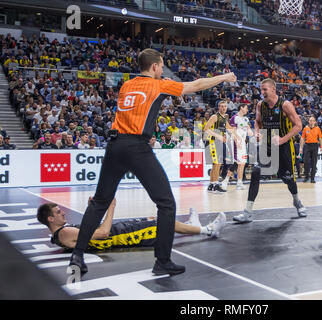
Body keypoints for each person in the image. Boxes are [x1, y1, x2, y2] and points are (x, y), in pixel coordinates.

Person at [68, 48, 237, 277]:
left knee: (99, 201)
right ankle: (162, 261)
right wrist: (224, 77)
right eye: (162, 65)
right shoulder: (158, 85)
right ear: (156, 66)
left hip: (114, 146)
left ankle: (77, 254)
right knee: (166, 203)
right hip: (137, 147)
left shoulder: (127, 85)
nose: (162, 69)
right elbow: (195, 85)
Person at [233, 78, 307, 223]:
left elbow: (298, 126)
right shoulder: (260, 105)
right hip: (267, 145)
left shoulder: (285, 105)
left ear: (273, 89)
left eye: (265, 89)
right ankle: (247, 212)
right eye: (261, 90)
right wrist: (257, 132)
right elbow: (257, 122)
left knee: (289, 179)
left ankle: (297, 201)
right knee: (255, 173)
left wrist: (282, 139)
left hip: (284, 146)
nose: (262, 92)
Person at [37, 199, 227, 251]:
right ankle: (207, 230)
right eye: (57, 212)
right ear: (50, 220)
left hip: (120, 232)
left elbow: (89, 231)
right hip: (121, 236)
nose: (62, 212)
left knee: (153, 220)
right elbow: (102, 233)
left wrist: (91, 210)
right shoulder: (63, 233)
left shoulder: (61, 234)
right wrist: (111, 208)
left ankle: (189, 226)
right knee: (161, 222)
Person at [204, 100, 240, 194]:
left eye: (225, 106)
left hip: (219, 143)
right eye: (221, 106)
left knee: (215, 164)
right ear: (218, 107)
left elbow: (230, 129)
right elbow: (206, 129)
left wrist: (239, 137)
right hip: (212, 142)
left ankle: (211, 184)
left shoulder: (224, 118)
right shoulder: (215, 116)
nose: (223, 108)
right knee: (217, 163)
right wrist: (218, 136)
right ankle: (215, 185)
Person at [221, 104, 253, 191]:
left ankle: (239, 183)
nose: (247, 109)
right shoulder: (234, 118)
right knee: (236, 163)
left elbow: (250, 132)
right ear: (241, 108)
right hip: (236, 142)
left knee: (242, 163)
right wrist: (236, 141)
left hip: (243, 143)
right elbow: (233, 131)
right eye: (246, 108)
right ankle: (225, 181)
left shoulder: (246, 119)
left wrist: (254, 133)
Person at [300, 116, 322, 183]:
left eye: (312, 120)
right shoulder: (305, 128)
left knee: (314, 162)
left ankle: (312, 178)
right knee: (306, 162)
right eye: (310, 120)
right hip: (307, 146)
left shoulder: (318, 128)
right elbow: (302, 138)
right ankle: (306, 177)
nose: (311, 121)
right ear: (308, 121)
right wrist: (301, 148)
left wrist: (321, 147)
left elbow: (320, 138)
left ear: (315, 122)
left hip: (315, 146)